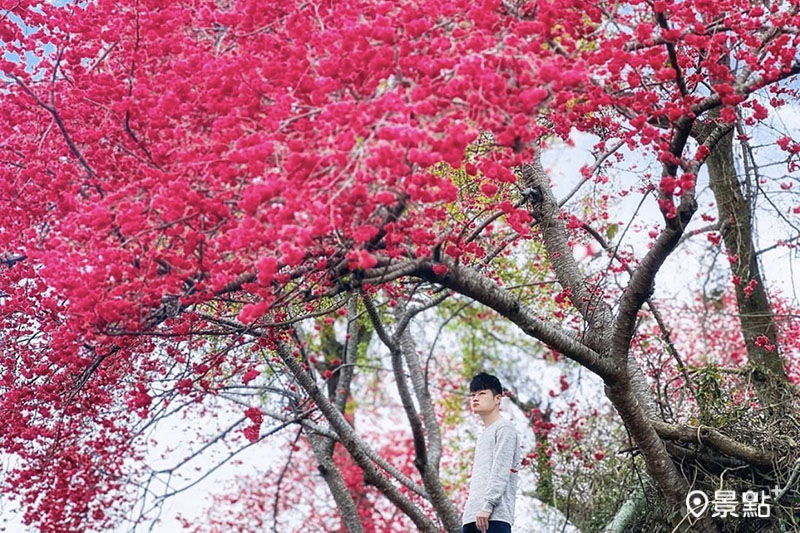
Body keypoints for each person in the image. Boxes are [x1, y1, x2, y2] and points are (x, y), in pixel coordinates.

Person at [461, 372, 521, 533]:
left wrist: (487, 506)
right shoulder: (483, 435)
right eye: (472, 394)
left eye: (481, 393)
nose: (475, 398)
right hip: (471, 517)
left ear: (498, 399)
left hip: (494, 517)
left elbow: (501, 470)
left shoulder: (505, 429)